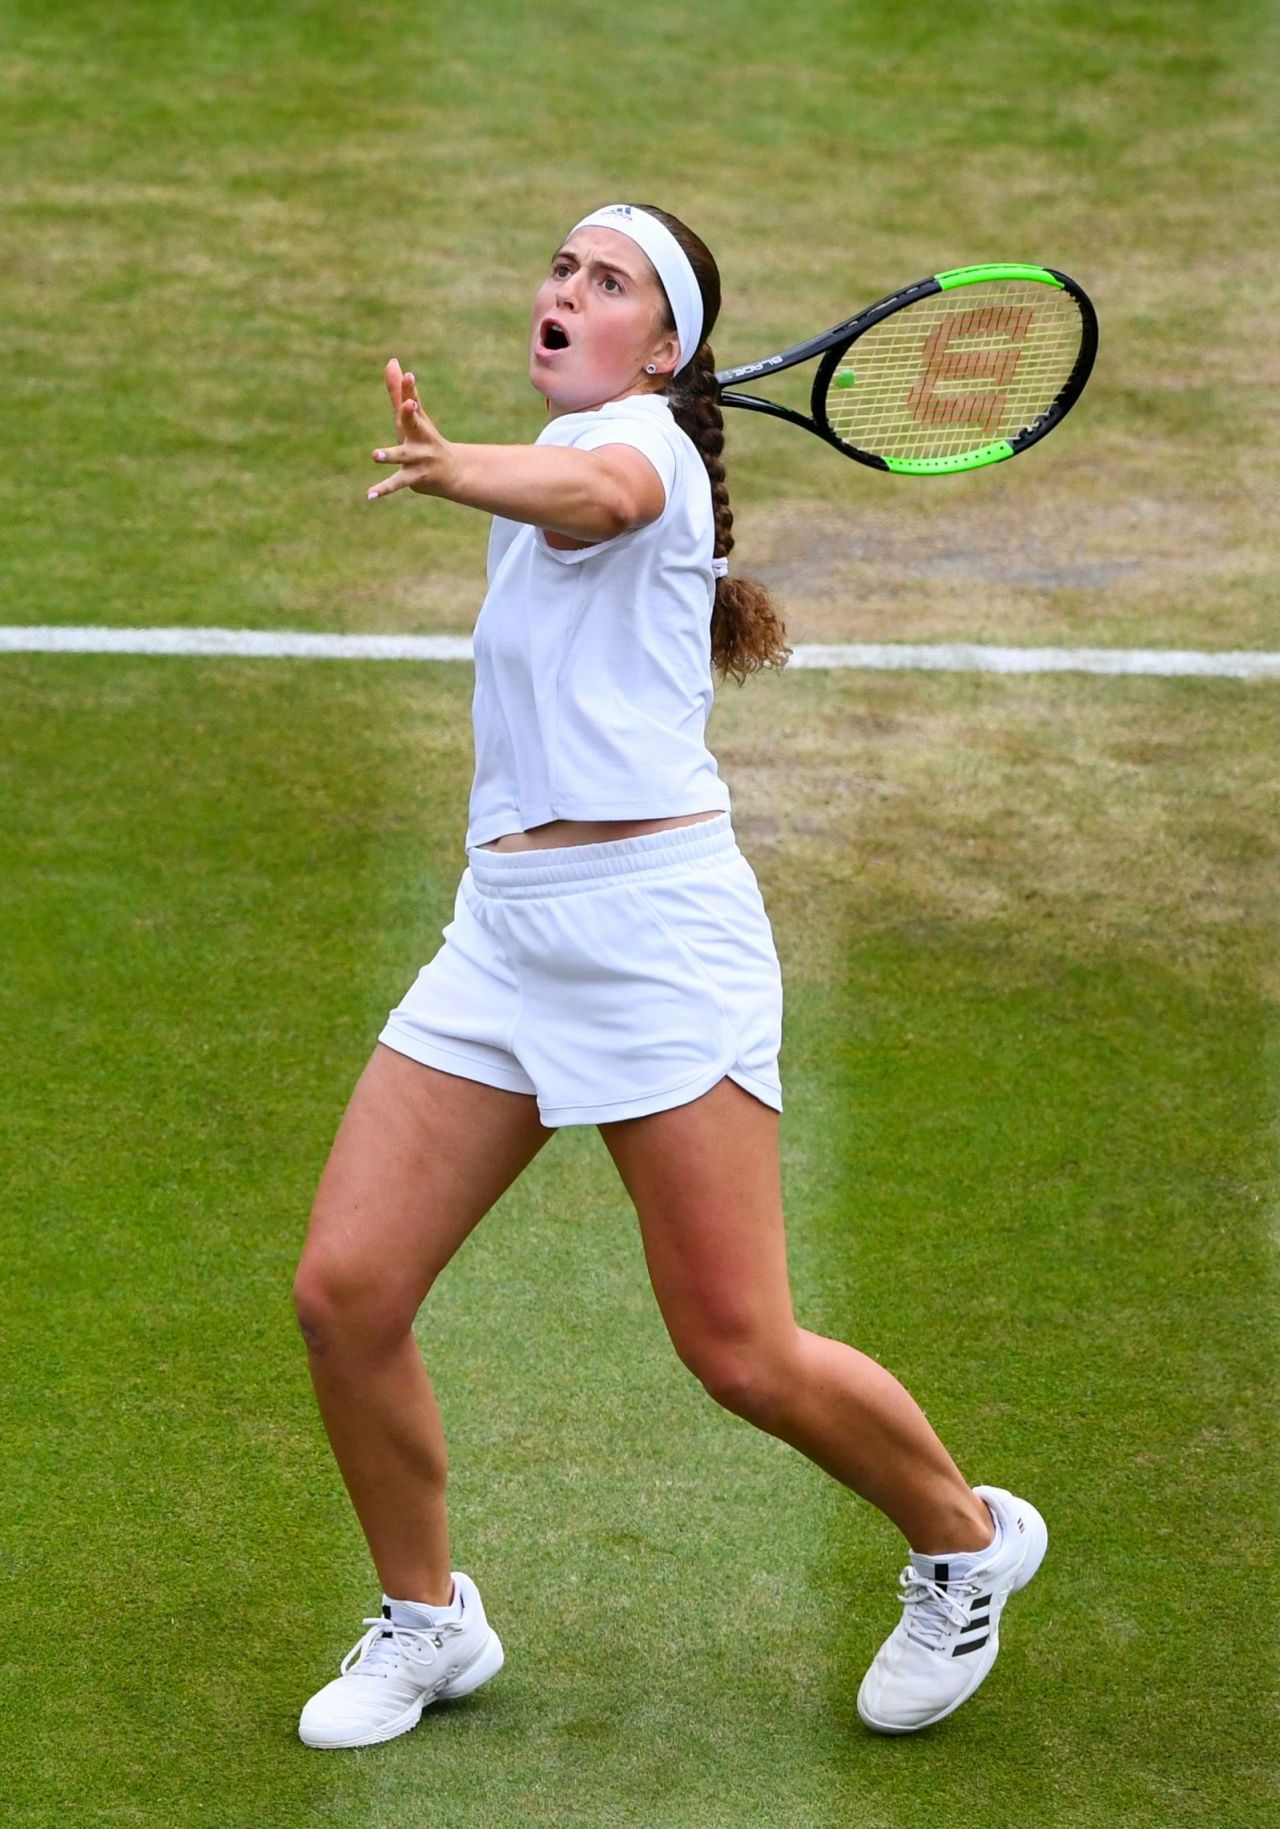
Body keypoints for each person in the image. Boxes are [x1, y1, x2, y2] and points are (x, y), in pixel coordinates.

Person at [293, 203, 1046, 1751]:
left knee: (738, 1350)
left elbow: (592, 492)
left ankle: (964, 1540)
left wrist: (454, 470)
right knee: (346, 1290)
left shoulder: (647, 463)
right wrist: (481, 472)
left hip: (653, 944)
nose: (566, 290)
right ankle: (430, 1622)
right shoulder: (574, 452)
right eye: (561, 266)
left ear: (670, 345)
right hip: (504, 933)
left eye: (609, 279)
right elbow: (556, 489)